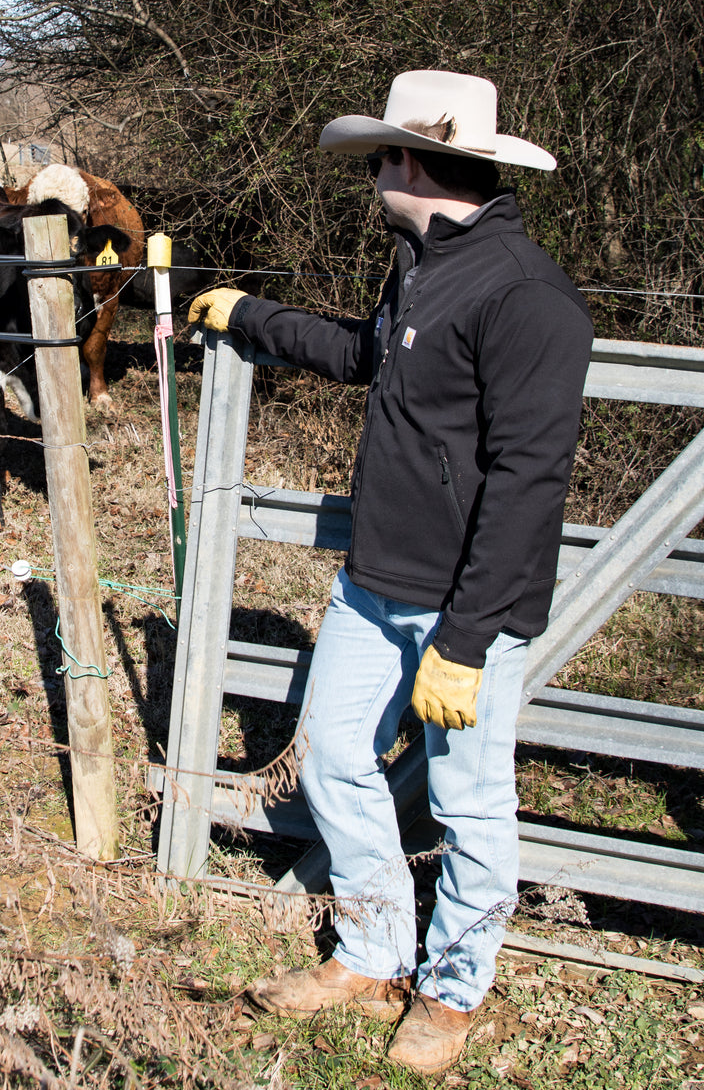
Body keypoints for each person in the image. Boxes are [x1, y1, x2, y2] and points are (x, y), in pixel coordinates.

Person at [188, 70, 593, 1076]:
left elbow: (530, 482)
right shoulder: (418, 265)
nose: (369, 174)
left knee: (468, 807)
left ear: (413, 161)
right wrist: (247, 317)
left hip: (466, 611)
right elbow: (367, 354)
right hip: (374, 585)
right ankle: (372, 953)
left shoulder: (525, 295)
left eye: (377, 156)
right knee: (329, 759)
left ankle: (452, 994)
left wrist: (463, 642)